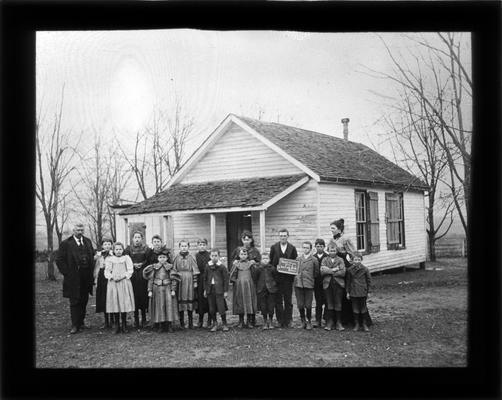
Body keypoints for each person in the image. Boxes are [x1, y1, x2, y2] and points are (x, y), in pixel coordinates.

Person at [56, 223, 96, 334]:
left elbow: (92, 255)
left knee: (84, 300)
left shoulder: (87, 241)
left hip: (86, 277)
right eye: (78, 230)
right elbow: (59, 260)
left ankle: (81, 322)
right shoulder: (66, 244)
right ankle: (75, 325)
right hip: (73, 278)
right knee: (74, 301)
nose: (80, 232)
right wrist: (68, 274)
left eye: (82, 230)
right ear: (73, 230)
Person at [143, 248, 180, 333]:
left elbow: (174, 279)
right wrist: (150, 290)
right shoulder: (154, 267)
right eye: (160, 257)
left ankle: (169, 324)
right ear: (157, 258)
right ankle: (160, 325)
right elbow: (150, 279)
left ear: (167, 258)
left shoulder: (170, 267)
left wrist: (173, 289)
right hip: (157, 289)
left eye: (164, 257)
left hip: (167, 288)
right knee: (159, 306)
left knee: (169, 306)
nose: (162, 259)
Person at [328, 218, 356, 326]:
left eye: (333, 228)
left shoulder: (345, 239)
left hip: (344, 265)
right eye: (331, 228)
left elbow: (353, 253)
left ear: (339, 230)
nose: (332, 230)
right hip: (334, 266)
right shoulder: (332, 240)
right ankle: (338, 318)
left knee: (346, 291)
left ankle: (351, 319)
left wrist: (353, 265)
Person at [269, 228, 298, 328]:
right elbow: (271, 263)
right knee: (278, 300)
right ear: (279, 237)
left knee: (288, 300)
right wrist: (275, 268)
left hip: (288, 279)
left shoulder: (292, 248)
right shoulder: (274, 247)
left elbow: (295, 263)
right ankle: (280, 320)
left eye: (284, 236)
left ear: (287, 236)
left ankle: (288, 320)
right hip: (277, 279)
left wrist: (292, 274)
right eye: (281, 236)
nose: (283, 237)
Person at [105, 242, 136, 334]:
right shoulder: (110, 259)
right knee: (115, 302)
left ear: (123, 250)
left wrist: (123, 276)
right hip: (113, 283)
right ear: (113, 250)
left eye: (120, 249)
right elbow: (107, 271)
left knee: (123, 302)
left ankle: (124, 325)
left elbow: (130, 270)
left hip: (123, 282)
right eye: (116, 249)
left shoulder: (126, 258)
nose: (118, 251)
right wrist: (112, 277)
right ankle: (116, 324)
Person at [124, 231, 151, 329]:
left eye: (139, 237)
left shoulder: (147, 249)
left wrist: (142, 265)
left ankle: (144, 319)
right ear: (132, 239)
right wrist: (133, 265)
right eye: (135, 237)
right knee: (134, 296)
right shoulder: (128, 249)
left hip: (143, 275)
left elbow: (149, 261)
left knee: (143, 297)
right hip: (133, 276)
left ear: (142, 238)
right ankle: (136, 319)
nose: (137, 239)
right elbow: (125, 260)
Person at [173, 240, 200, 329]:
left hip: (189, 279)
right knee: (181, 299)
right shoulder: (176, 257)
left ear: (188, 247)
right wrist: (175, 281)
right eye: (182, 246)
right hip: (180, 280)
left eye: (185, 246)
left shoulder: (191, 257)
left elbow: (195, 270)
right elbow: (174, 270)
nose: (184, 248)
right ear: (179, 247)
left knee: (189, 298)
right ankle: (181, 322)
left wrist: (195, 281)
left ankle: (191, 322)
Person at [230, 247, 258, 328]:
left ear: (247, 255)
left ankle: (249, 321)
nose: (243, 256)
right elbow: (232, 275)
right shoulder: (236, 264)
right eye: (241, 254)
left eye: (245, 254)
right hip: (239, 286)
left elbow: (255, 274)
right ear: (238, 255)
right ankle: (241, 321)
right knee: (240, 301)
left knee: (249, 301)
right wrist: (235, 281)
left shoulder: (250, 264)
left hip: (249, 285)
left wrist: (255, 264)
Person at [202, 248, 230, 332]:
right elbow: (205, 279)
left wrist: (225, 291)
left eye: (216, 256)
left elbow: (226, 279)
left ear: (219, 256)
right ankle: (215, 323)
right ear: (210, 256)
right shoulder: (208, 266)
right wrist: (205, 290)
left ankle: (224, 323)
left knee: (221, 307)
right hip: (210, 289)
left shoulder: (222, 267)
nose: (214, 257)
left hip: (219, 290)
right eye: (212, 256)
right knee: (212, 308)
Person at [294, 241, 319, 330]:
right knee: (300, 305)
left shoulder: (314, 260)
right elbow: (294, 270)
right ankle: (303, 321)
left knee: (308, 305)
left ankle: (309, 321)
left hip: (309, 285)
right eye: (304, 247)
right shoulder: (298, 259)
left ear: (311, 249)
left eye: (307, 248)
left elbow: (316, 273)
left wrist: (310, 279)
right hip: (299, 285)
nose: (305, 249)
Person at [320, 245, 346, 331]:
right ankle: (330, 322)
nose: (332, 252)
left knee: (338, 302)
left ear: (336, 251)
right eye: (331, 250)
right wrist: (334, 269)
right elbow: (322, 271)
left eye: (334, 250)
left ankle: (338, 322)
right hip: (327, 284)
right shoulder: (324, 259)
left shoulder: (340, 260)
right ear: (328, 251)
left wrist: (329, 271)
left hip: (338, 284)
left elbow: (343, 272)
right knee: (329, 303)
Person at [345, 252, 373, 332]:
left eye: (358, 259)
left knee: (363, 308)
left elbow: (369, 281)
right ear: (352, 260)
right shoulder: (350, 270)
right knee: (355, 308)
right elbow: (348, 282)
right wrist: (347, 292)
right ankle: (357, 324)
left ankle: (364, 324)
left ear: (361, 260)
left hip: (362, 291)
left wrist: (369, 291)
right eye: (355, 260)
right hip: (353, 291)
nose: (357, 261)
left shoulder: (365, 269)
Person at [254, 252, 279, 330]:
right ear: (261, 260)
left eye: (266, 258)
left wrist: (274, 285)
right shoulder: (258, 269)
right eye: (263, 259)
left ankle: (271, 321)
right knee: (263, 306)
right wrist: (258, 288)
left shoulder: (272, 268)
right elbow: (255, 279)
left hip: (271, 290)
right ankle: (265, 321)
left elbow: (276, 278)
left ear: (269, 259)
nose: (265, 260)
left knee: (271, 306)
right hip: (261, 290)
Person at [93, 237, 113, 329]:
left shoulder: (114, 254)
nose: (107, 246)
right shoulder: (99, 255)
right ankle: (106, 321)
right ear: (102, 245)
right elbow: (96, 267)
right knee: (103, 298)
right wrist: (96, 280)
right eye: (105, 244)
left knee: (111, 297)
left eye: (109, 244)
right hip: (101, 276)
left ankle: (113, 320)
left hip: (111, 276)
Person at [195, 238, 211, 328]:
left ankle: (209, 319)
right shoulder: (196, 256)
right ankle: (200, 319)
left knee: (209, 298)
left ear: (206, 245)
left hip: (208, 278)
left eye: (203, 244)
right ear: (198, 246)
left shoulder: (209, 255)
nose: (202, 246)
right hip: (200, 279)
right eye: (200, 244)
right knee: (200, 298)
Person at [312, 238, 329, 328]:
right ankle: (317, 320)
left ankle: (326, 319)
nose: (319, 248)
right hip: (316, 283)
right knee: (318, 302)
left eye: (321, 246)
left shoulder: (327, 257)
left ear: (324, 247)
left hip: (326, 282)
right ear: (315, 247)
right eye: (317, 246)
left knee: (327, 301)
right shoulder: (313, 257)